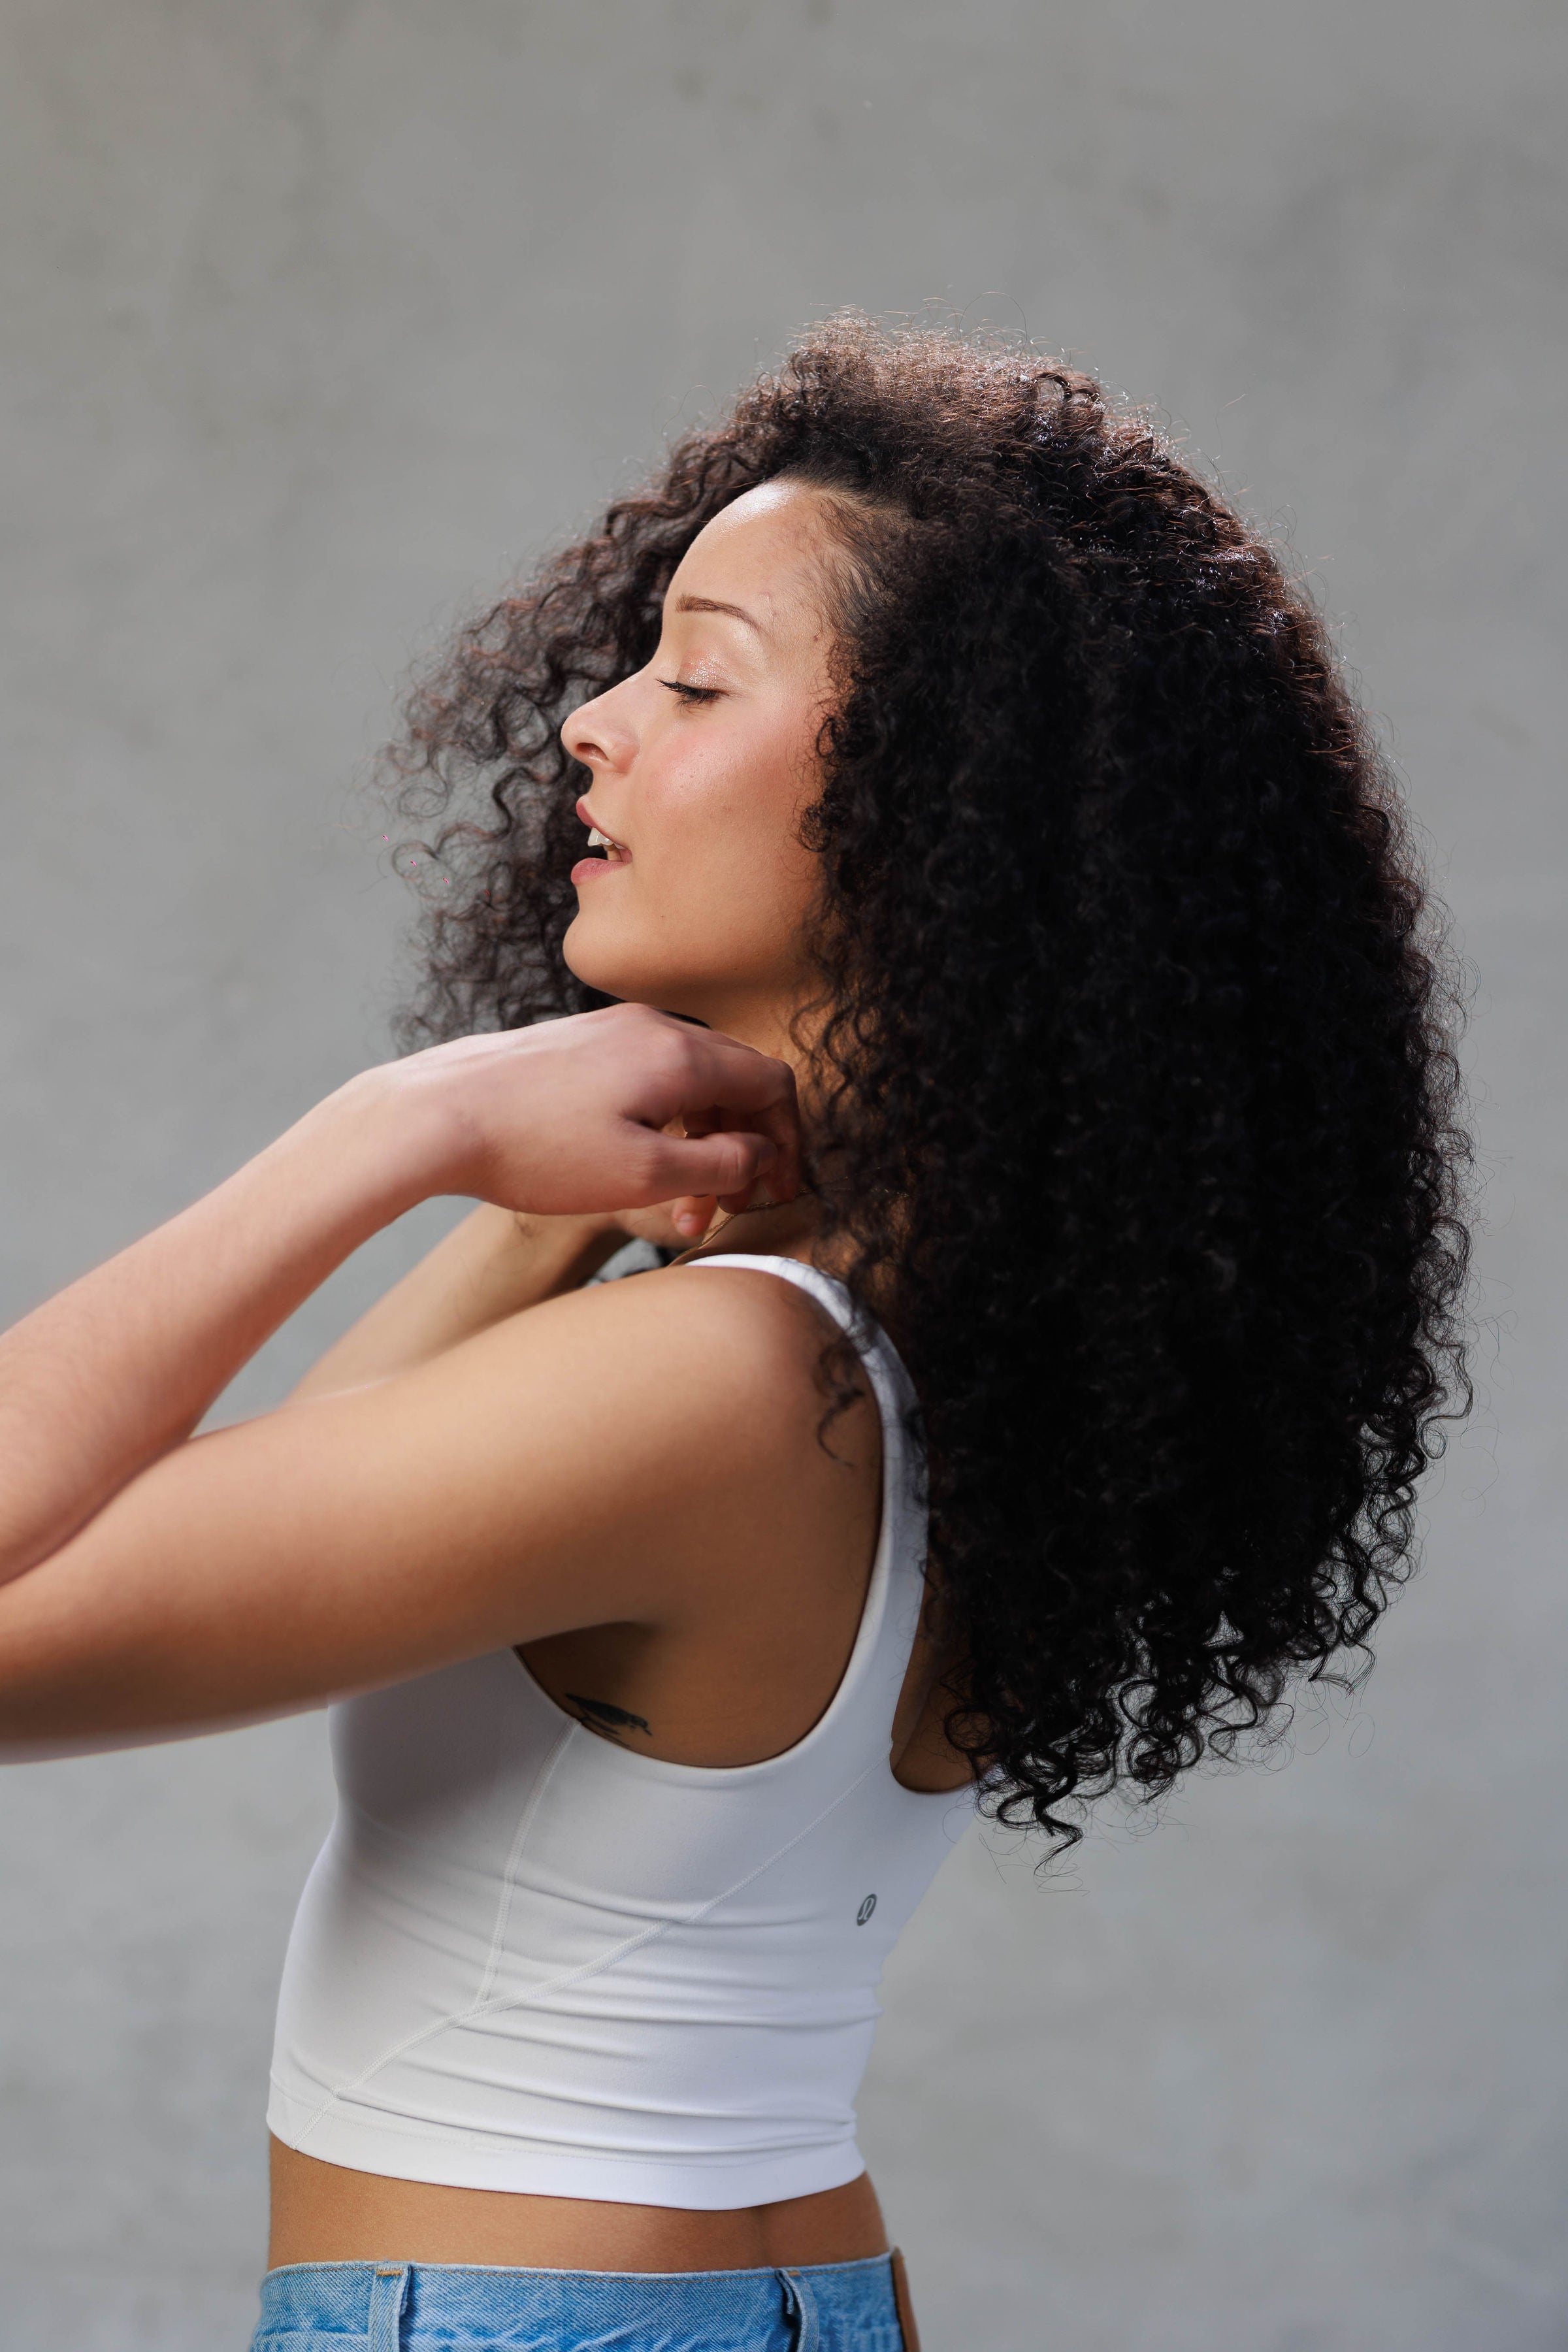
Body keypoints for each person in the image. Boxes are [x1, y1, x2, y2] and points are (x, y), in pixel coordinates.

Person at [0, 318, 1469, 2352]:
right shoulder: (913, 1355)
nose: (596, 721)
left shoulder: (714, 1389)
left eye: (696, 676)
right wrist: (536, 1229)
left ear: (932, 800)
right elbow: (270, 1530)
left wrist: (389, 1129)